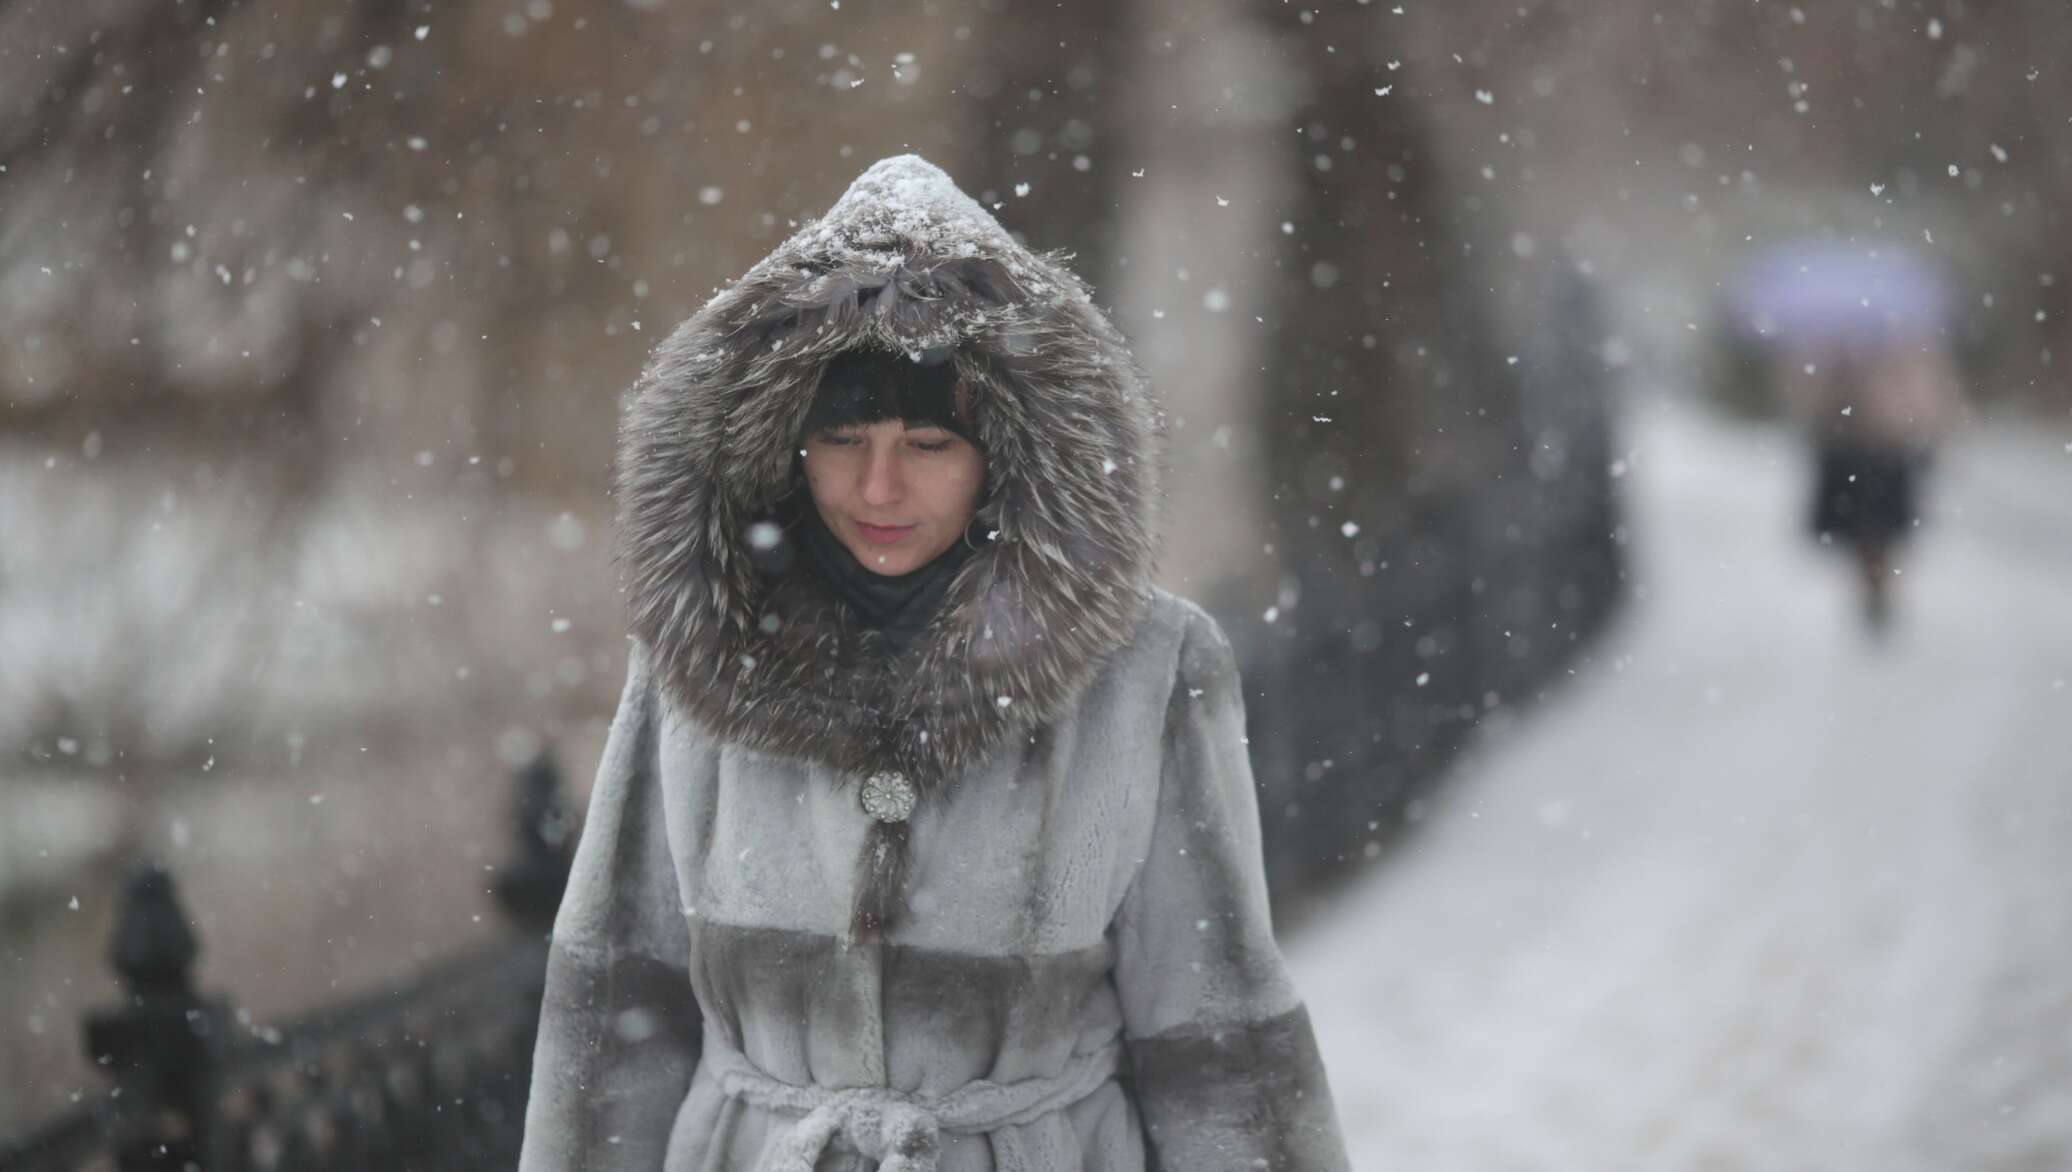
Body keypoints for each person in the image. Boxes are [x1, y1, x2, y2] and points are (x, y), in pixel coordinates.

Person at [517, 155, 1350, 1172]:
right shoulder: (696, 659)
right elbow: (613, 1009)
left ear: (1000, 454)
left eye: (926, 440)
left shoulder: (1145, 670)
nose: (878, 484)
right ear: (784, 444)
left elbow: (1214, 1034)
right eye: (841, 435)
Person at [1778, 331, 1963, 634]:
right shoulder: (1836, 345)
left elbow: (1926, 392)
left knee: (1876, 529)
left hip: (1883, 448)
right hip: (1861, 448)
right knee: (1868, 529)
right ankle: (1873, 587)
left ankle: (1876, 587)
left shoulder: (1904, 345)